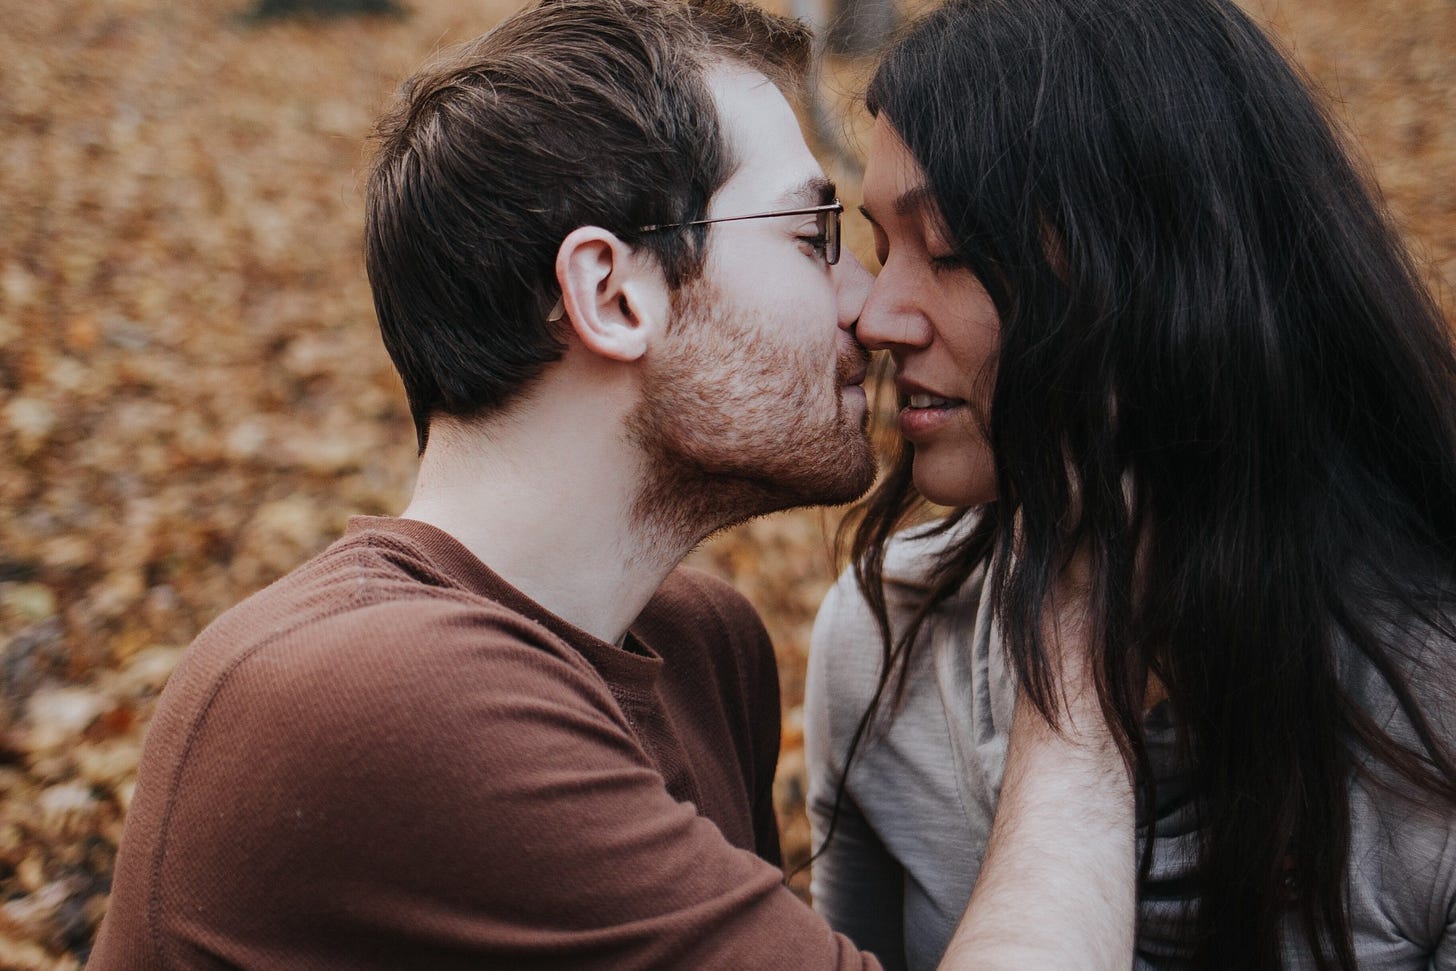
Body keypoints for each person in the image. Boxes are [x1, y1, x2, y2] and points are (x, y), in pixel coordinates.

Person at [88, 0, 1138, 967]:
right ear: (611, 293)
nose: (865, 306)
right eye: (814, 235)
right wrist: (1077, 656)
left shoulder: (697, 647)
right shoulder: (380, 694)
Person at [805, 0, 1456, 967]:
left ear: (1160, 274)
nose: (879, 314)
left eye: (947, 250)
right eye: (879, 243)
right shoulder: (883, 639)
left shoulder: (1430, 708)